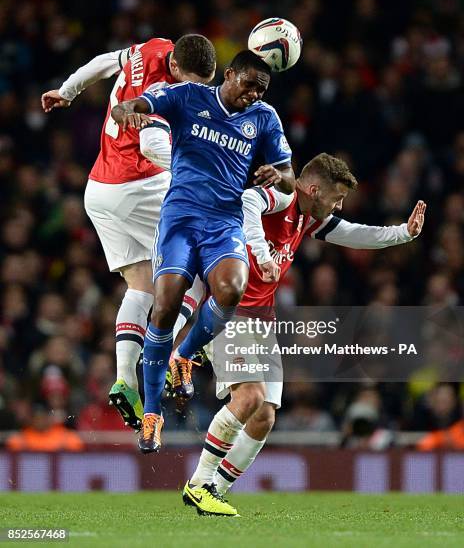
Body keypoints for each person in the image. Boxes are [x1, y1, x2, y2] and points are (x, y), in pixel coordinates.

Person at [179, 153, 425, 516]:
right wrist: (260, 253)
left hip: (264, 321)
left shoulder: (307, 219)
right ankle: (198, 483)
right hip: (230, 311)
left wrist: (403, 233)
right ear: (313, 189)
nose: (338, 206)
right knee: (249, 397)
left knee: (264, 417)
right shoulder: (283, 197)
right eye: (336, 198)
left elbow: (354, 233)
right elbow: (247, 200)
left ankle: (216, 490)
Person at [112, 51, 295, 472]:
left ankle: (184, 355)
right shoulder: (189, 96)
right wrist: (127, 110)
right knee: (165, 307)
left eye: (260, 90)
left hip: (223, 223)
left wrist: (277, 175)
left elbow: (289, 173)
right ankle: (153, 413)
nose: (253, 94)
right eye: (248, 84)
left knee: (231, 289)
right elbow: (141, 104)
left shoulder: (264, 119)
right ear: (228, 74)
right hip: (180, 218)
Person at [41, 34, 216, 430]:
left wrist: (67, 91)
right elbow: (154, 145)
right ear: (174, 68)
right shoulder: (163, 87)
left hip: (100, 190)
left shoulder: (152, 47)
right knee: (203, 270)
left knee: (140, 286)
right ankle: (177, 355)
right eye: (188, 82)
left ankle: (125, 379)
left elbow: (105, 60)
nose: (193, 91)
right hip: (139, 187)